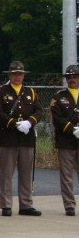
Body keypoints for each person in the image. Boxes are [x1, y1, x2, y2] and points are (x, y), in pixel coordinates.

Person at [0, 61, 43, 217]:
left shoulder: (31, 92)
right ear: (9, 75)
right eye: (14, 74)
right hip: (8, 137)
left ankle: (26, 205)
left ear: (23, 75)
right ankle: (6, 204)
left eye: (20, 74)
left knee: (26, 173)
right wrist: (14, 123)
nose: (17, 77)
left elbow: (39, 111)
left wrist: (30, 122)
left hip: (26, 138)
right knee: (7, 173)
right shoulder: (1, 92)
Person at [50, 64, 79, 217]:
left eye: (75, 77)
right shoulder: (59, 96)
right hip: (66, 141)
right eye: (69, 77)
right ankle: (69, 205)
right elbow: (57, 117)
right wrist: (72, 129)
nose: (72, 79)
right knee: (67, 176)